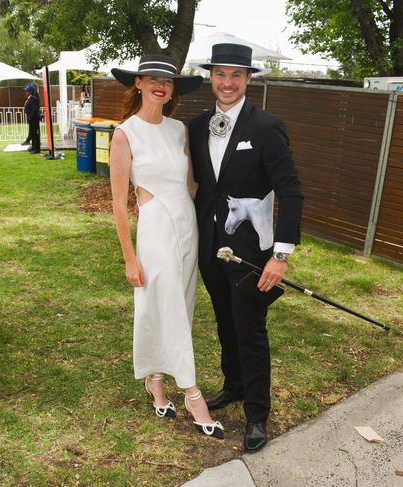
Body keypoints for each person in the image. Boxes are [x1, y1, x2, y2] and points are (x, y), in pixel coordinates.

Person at [188, 43, 303, 452]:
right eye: (221, 74)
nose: (227, 82)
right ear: (211, 77)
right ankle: (234, 385)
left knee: (250, 330)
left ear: (249, 79)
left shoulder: (266, 126)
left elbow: (290, 191)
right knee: (224, 321)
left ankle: (257, 413)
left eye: (237, 75)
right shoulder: (197, 125)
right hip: (210, 247)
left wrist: (282, 253)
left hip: (252, 252)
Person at [109, 54, 224, 439]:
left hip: (186, 224)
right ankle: (193, 394)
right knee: (166, 303)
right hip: (155, 228)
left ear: (174, 90)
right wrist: (129, 257)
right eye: (153, 78)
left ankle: (155, 378)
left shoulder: (178, 130)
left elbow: (191, 182)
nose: (161, 85)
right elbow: (118, 203)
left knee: (179, 305)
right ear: (138, 83)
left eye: (168, 81)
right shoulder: (125, 133)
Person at [23, 84, 41, 154]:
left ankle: (36, 149)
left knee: (35, 134)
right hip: (32, 119)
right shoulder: (31, 97)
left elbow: (34, 109)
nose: (25, 92)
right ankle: (33, 147)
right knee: (32, 134)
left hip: (34, 119)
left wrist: (30, 116)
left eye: (27, 91)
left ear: (30, 91)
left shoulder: (33, 98)